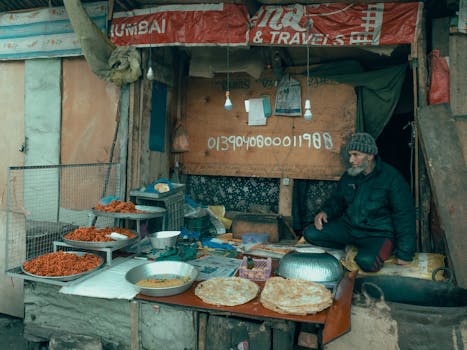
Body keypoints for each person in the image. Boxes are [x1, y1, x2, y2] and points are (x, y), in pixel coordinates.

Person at [303, 132, 416, 272]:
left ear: (370, 155)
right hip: (350, 228)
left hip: (377, 233)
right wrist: (325, 212)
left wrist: (405, 253)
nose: (351, 159)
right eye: (350, 154)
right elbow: (337, 200)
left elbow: (404, 215)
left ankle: (373, 250)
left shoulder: (392, 178)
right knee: (311, 233)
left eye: (356, 155)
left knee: (367, 263)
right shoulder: (349, 176)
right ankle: (354, 246)